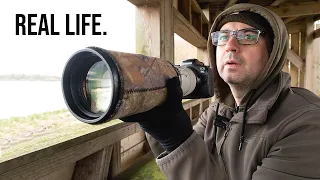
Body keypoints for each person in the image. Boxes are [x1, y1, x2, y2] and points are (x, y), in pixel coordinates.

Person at [122, 3, 320, 180]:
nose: (231, 46)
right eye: (222, 37)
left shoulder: (306, 124)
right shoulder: (217, 112)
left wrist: (176, 140)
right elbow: (187, 158)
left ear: (273, 52)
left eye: (248, 36)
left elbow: (183, 149)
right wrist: (156, 120)